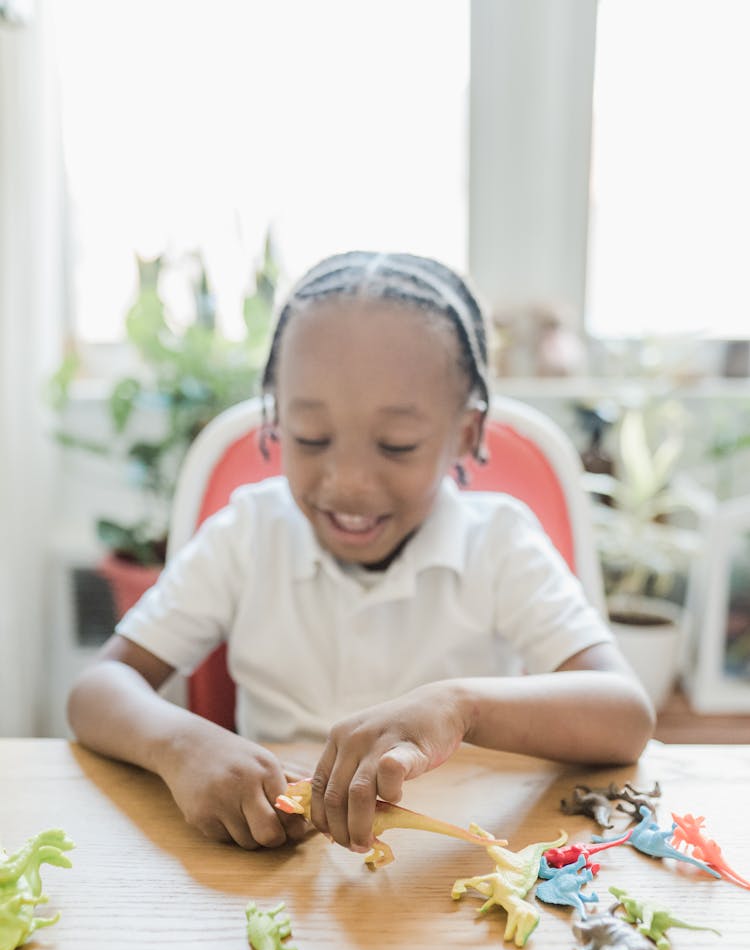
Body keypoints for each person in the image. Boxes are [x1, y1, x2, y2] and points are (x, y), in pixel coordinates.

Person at [67, 251, 654, 856]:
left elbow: (624, 715)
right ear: (276, 420)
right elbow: (99, 688)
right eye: (311, 438)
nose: (347, 482)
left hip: (444, 869)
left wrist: (460, 708)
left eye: (396, 445)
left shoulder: (498, 541)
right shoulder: (248, 532)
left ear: (467, 435)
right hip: (268, 872)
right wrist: (182, 746)